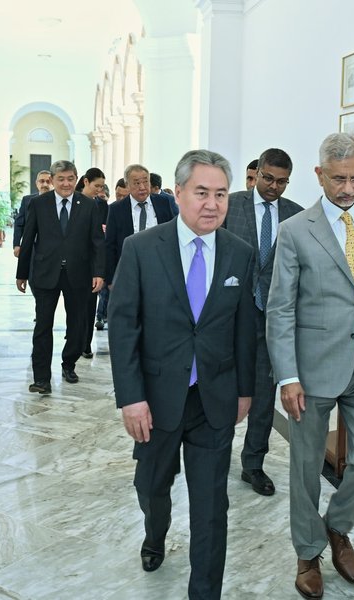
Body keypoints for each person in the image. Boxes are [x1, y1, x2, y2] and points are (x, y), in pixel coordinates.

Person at [108, 149, 256, 600]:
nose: (212, 204)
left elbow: (245, 329)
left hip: (214, 399)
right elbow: (123, 326)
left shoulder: (239, 254)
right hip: (155, 400)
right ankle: (155, 533)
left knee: (211, 507)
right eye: (201, 193)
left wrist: (245, 392)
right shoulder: (141, 249)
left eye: (221, 194)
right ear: (177, 193)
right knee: (152, 486)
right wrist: (131, 398)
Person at [266, 133, 354, 599]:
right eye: (339, 179)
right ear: (320, 175)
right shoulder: (296, 230)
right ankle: (308, 552)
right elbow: (280, 308)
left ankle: (337, 526)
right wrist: (288, 376)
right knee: (305, 467)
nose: (348, 188)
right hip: (312, 369)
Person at [224, 148, 303, 496]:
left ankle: (253, 464)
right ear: (256, 173)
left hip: (273, 318)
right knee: (221, 391)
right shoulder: (231, 205)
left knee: (262, 394)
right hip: (229, 315)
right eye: (268, 178)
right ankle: (211, 455)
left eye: (282, 182)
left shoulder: (296, 216)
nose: (273, 186)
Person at [16, 160, 105, 394]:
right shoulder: (38, 203)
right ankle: (41, 379)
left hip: (79, 274)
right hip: (45, 273)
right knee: (43, 326)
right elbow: (28, 239)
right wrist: (22, 273)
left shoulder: (88, 205)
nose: (66, 184)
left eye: (70, 179)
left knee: (77, 325)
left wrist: (98, 272)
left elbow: (97, 241)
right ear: (53, 180)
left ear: (77, 180)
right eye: (61, 179)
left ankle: (69, 364)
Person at [104, 164, 176, 288]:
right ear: (127, 185)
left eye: (145, 182)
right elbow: (110, 245)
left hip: (159, 270)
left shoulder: (163, 202)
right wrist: (111, 280)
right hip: (128, 271)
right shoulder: (117, 209)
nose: (142, 187)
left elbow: (172, 236)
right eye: (137, 183)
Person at [75, 168, 108, 358]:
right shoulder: (73, 200)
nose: (99, 190)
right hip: (73, 261)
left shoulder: (101, 205)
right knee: (75, 306)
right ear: (86, 182)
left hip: (91, 263)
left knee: (89, 306)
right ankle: (74, 338)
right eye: (97, 185)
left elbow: (101, 239)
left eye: (102, 187)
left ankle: (85, 343)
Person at [13, 170, 53, 257]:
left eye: (48, 181)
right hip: (31, 247)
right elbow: (19, 224)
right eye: (42, 181)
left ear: (53, 183)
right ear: (36, 183)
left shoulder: (59, 202)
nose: (45, 184)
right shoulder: (27, 200)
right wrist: (17, 245)